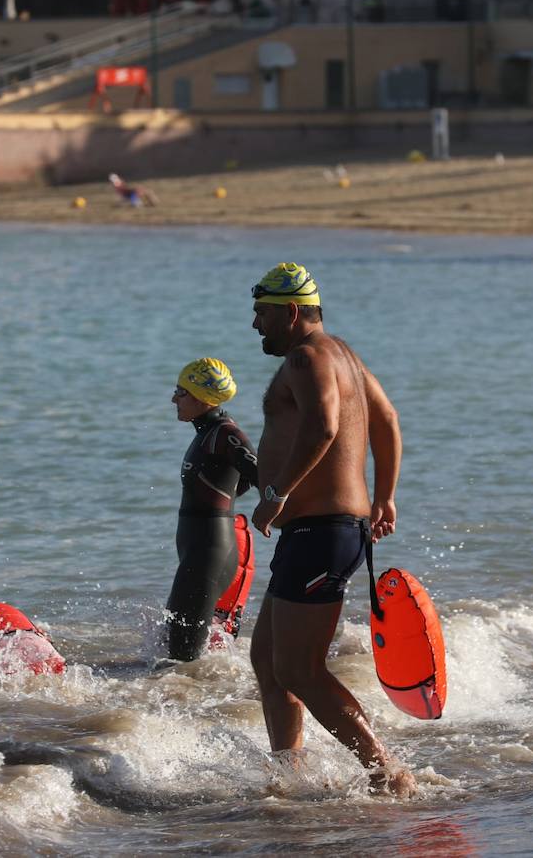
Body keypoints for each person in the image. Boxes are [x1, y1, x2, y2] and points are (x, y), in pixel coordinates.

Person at [247, 262, 416, 797]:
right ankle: (287, 776)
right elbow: (386, 419)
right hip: (325, 531)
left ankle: (387, 772)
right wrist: (385, 494)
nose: (256, 325)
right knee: (268, 660)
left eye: (263, 313)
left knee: (298, 667)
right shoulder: (343, 353)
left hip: (322, 530)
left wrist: (277, 494)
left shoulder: (307, 356)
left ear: (292, 312)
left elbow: (324, 424)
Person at [167, 357, 258, 661]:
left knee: (179, 659)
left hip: (209, 553)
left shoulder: (223, 433)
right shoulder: (207, 433)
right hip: (200, 551)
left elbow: (262, 473)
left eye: (180, 393)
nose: (173, 399)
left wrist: (274, 510)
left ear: (201, 396)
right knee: (178, 649)